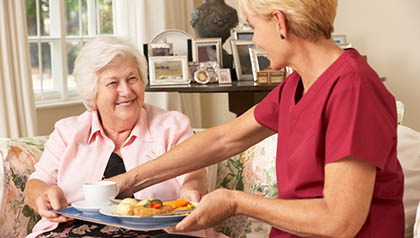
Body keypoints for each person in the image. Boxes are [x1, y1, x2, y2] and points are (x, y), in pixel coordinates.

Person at [110, 0, 405, 237]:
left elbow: (340, 222)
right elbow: (224, 139)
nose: (254, 41)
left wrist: (236, 202)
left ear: (279, 22)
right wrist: (128, 181)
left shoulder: (354, 88)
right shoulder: (296, 85)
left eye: (252, 27)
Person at [24, 37, 224, 238]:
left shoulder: (171, 126)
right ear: (91, 95)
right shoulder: (67, 132)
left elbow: (193, 173)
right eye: (112, 83)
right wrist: (44, 195)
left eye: (132, 79)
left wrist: (191, 190)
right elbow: (36, 184)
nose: (126, 91)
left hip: (159, 232)